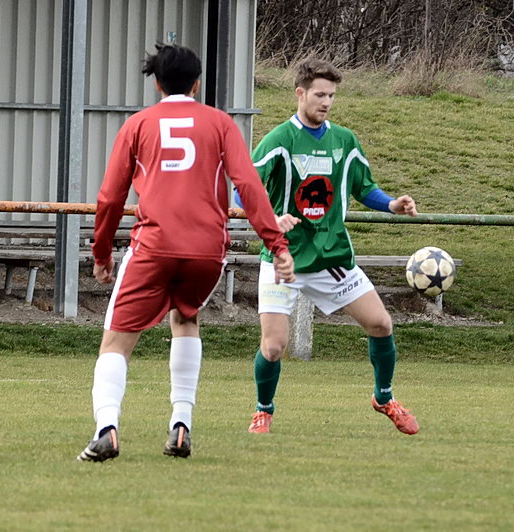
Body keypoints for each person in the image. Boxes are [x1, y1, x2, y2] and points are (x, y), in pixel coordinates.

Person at [77, 43, 295, 462]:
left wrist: (101, 253)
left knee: (116, 343)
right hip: (206, 250)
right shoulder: (220, 123)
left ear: (157, 85)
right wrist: (276, 244)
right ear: (197, 83)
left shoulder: (138, 125)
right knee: (186, 319)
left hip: (154, 245)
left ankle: (106, 429)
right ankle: (181, 424)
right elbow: (249, 185)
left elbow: (110, 197)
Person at [245, 58, 420, 436]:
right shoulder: (279, 140)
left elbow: (364, 188)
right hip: (284, 257)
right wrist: (271, 219)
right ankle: (263, 411)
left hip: (330, 257)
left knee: (381, 323)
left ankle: (384, 397)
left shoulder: (344, 140)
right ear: (300, 93)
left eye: (331, 96)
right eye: (319, 95)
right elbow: (244, 191)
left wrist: (391, 204)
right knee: (274, 346)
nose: (326, 102)